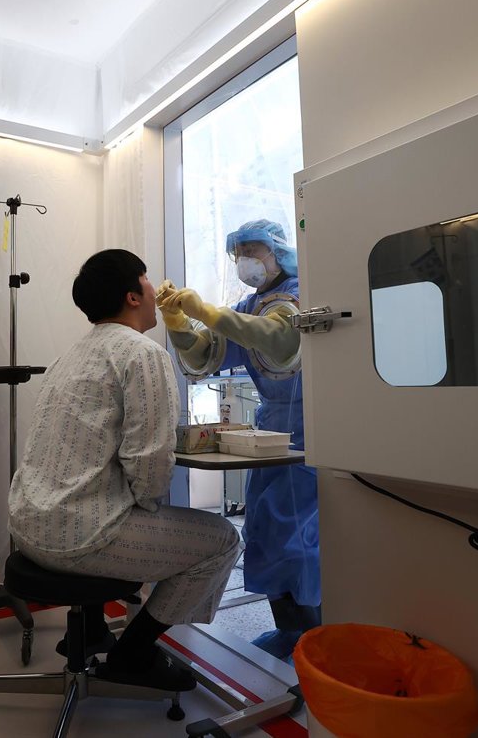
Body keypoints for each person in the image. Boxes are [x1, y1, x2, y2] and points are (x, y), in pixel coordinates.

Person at [8, 249, 241, 692]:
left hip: (28, 527)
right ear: (133, 295)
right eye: (147, 280)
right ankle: (132, 655)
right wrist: (148, 511)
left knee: (105, 497)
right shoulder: (142, 353)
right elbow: (150, 465)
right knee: (223, 540)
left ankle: (91, 629)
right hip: (78, 538)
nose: (154, 290)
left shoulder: (70, 356)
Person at [156, 219, 319, 662]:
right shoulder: (249, 305)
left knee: (298, 541)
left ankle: (315, 639)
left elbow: (279, 337)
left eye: (253, 250)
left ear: (278, 250)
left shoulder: (302, 294)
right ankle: (289, 631)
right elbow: (205, 355)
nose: (245, 260)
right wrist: (178, 322)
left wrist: (207, 311)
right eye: (239, 253)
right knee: (263, 530)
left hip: (313, 432)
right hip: (272, 433)